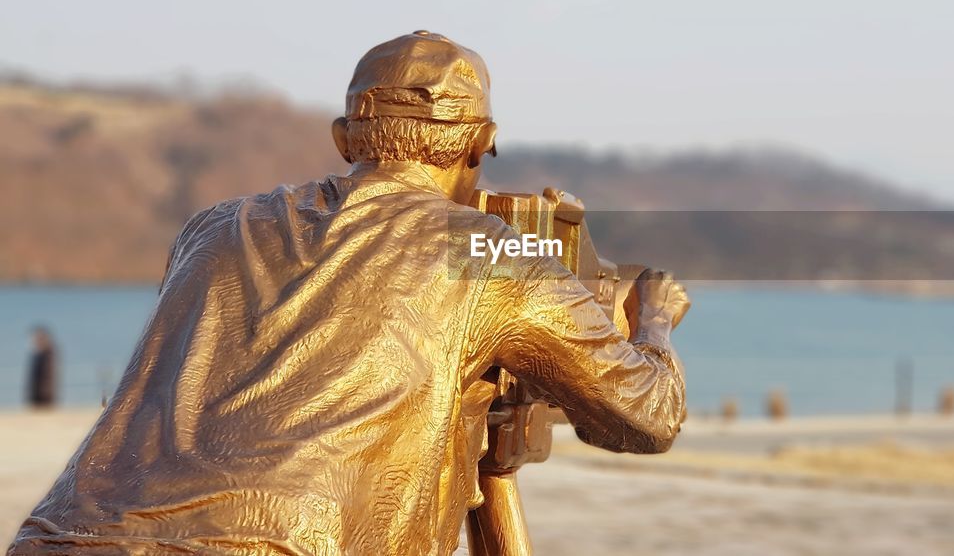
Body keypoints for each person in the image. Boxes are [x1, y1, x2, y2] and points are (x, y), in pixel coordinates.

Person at [9, 31, 689, 556]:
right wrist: (651, 318)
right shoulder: (490, 253)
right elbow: (646, 415)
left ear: (343, 141)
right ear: (479, 145)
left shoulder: (216, 228)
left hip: (62, 537)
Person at [26, 326, 57, 409]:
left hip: (43, 395)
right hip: (39, 394)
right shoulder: (41, 354)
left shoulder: (48, 354)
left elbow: (46, 376)